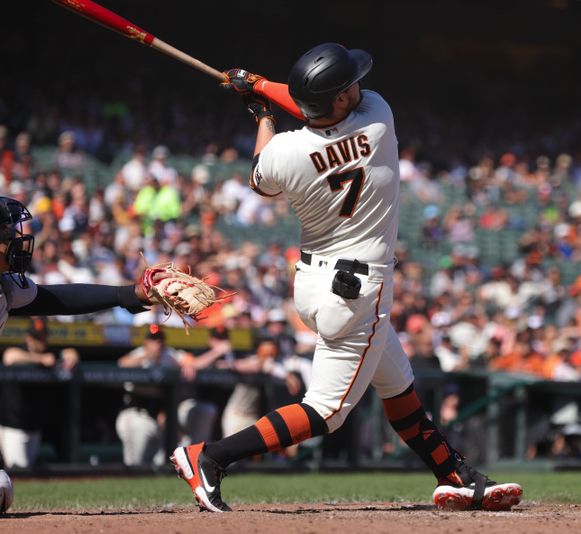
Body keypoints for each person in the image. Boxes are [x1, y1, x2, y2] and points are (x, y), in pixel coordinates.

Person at [171, 43, 521, 513]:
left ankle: (453, 475)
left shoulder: (285, 153)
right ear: (336, 99)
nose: (357, 87)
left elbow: (259, 174)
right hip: (359, 291)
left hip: (315, 284)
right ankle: (209, 457)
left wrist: (260, 113)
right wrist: (260, 87)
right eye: (347, 85)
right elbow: (313, 105)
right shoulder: (377, 117)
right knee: (327, 411)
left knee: (397, 385)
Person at [0, 195, 158, 510]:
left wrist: (129, 294)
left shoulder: (6, 285)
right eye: (6, 235)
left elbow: (58, 299)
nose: (16, 240)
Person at [116, 325, 218, 466]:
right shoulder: (139, 354)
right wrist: (147, 355)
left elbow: (190, 361)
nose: (157, 344)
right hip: (137, 412)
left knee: (203, 410)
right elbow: (121, 364)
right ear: (146, 342)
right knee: (136, 463)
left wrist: (188, 365)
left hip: (163, 413)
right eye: (153, 340)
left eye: (160, 340)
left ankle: (195, 462)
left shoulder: (169, 355)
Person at [0, 319, 79, 467]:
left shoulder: (50, 352)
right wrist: (41, 359)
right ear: (29, 338)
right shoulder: (21, 350)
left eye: (43, 336)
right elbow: (9, 357)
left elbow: (70, 352)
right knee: (18, 469)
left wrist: (71, 356)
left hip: (35, 425)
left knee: (28, 469)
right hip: (13, 425)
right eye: (37, 337)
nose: (41, 341)